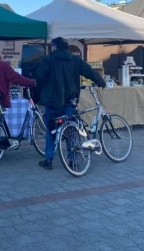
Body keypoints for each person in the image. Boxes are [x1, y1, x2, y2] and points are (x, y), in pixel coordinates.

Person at [35, 37, 106, 170]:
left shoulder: (48, 59)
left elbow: (39, 76)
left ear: (55, 47)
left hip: (52, 102)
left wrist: (44, 89)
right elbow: (89, 71)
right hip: (70, 101)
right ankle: (73, 161)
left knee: (50, 132)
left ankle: (48, 160)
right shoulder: (75, 60)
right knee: (71, 131)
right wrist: (101, 82)